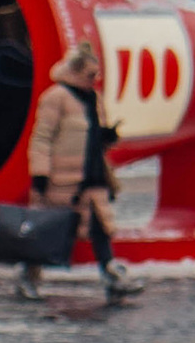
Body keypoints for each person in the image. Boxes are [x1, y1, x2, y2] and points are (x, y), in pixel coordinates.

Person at [23, 41, 142, 309]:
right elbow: (41, 138)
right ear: (76, 72)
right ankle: (30, 274)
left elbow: (92, 136)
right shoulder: (56, 97)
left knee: (101, 228)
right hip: (62, 180)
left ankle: (111, 275)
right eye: (91, 74)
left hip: (93, 177)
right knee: (48, 230)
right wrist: (40, 174)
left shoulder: (93, 99)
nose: (95, 80)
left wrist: (107, 136)